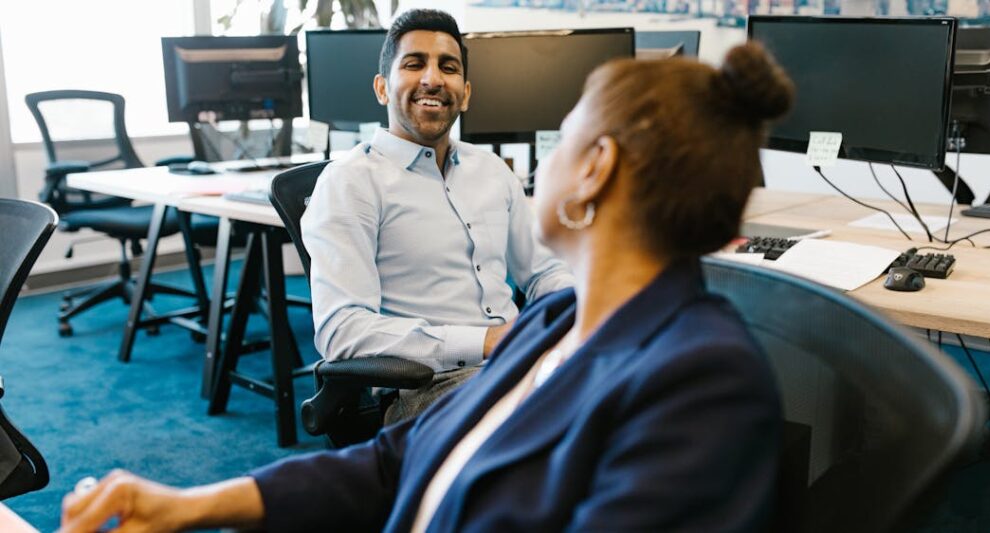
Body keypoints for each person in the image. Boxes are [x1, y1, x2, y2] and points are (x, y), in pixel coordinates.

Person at [59, 42, 794, 532]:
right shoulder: (562, 321)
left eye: (563, 131)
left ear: (595, 168)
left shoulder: (701, 380)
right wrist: (193, 502)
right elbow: (400, 456)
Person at [301, 9, 574, 422]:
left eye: (448, 67)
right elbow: (343, 331)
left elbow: (542, 271)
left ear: (465, 93)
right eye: (414, 64)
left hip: (520, 362)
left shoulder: (493, 171)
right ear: (381, 88)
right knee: (570, 426)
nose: (432, 79)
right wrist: (484, 342)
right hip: (429, 387)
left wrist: (579, 308)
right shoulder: (349, 182)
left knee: (649, 388)